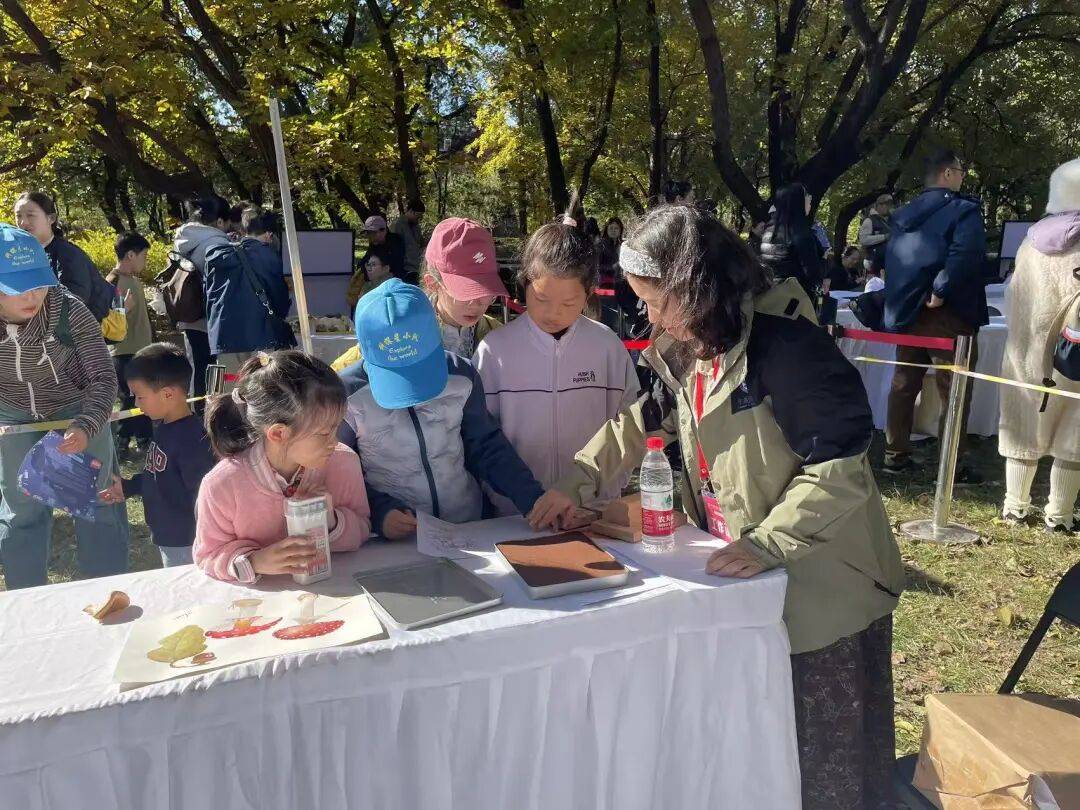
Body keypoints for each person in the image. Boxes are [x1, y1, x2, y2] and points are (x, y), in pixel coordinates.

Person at [528, 206, 904, 809]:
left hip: (824, 588)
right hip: (745, 579)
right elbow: (641, 421)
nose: (648, 317)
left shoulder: (788, 346)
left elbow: (841, 468)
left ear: (694, 287)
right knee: (759, 747)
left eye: (655, 300)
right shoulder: (689, 344)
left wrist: (766, 544)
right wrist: (576, 479)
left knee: (824, 761)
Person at [338, 279, 567, 540]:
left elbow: (487, 446)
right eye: (398, 376)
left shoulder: (462, 374)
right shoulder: (344, 396)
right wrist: (380, 513)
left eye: (419, 370)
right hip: (392, 541)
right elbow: (336, 472)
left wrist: (532, 498)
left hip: (467, 526)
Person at [473, 222, 639, 512]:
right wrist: (508, 499)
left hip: (593, 513)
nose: (553, 313)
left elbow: (630, 425)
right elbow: (479, 436)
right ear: (524, 284)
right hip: (514, 514)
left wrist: (603, 491)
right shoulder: (495, 350)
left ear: (588, 294)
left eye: (569, 303)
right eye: (541, 299)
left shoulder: (607, 346)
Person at [0, 223, 128, 589]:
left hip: (77, 406)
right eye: (17, 287)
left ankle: (108, 592)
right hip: (12, 415)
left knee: (96, 501)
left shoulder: (68, 310)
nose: (33, 296)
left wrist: (86, 424)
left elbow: (104, 378)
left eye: (38, 283)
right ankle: (27, 601)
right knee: (20, 512)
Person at [194, 350, 371, 583]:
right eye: (324, 433)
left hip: (338, 592)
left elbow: (362, 527)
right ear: (278, 433)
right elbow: (207, 555)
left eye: (337, 427)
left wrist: (331, 521)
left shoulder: (343, 462)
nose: (335, 441)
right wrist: (255, 561)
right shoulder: (222, 485)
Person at [883, 149, 988, 476]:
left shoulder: (903, 214)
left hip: (909, 311)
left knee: (904, 384)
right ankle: (951, 462)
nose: (962, 176)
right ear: (947, 174)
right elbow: (966, 254)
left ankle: (894, 453)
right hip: (948, 313)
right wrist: (940, 290)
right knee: (953, 388)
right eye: (960, 170)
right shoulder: (964, 211)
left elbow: (895, 260)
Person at [998, 158, 1080, 533]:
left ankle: (1015, 506)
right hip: (1073, 356)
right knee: (1074, 432)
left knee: (1022, 423)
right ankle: (1059, 515)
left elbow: (1014, 298)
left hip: (1028, 353)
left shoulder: (1031, 243)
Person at [331, 217, 506, 371]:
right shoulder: (401, 328)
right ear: (432, 283)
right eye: (465, 292)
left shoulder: (498, 334)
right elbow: (343, 370)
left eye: (486, 291)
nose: (477, 303)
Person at [99, 343, 215, 567]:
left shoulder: (192, 440)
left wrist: (207, 537)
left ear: (168, 394)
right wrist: (129, 487)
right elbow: (161, 476)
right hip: (169, 537)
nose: (135, 403)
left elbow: (204, 494)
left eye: (140, 397)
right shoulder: (165, 427)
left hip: (189, 541)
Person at [203, 206, 295, 376]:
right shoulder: (268, 257)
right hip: (260, 334)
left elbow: (208, 296)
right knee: (260, 391)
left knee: (228, 391)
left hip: (223, 336)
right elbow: (278, 299)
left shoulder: (215, 255)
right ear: (269, 234)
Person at [14, 191, 113, 321]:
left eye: (30, 215)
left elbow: (75, 300)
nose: (23, 222)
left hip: (80, 335)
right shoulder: (25, 255)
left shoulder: (67, 254)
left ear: (51, 218)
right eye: (18, 216)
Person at [174, 195, 231, 403]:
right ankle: (212, 412)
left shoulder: (184, 239)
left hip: (189, 313)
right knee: (215, 367)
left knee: (198, 366)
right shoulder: (217, 242)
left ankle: (198, 410)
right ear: (219, 221)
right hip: (211, 318)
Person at [107, 232, 155, 450]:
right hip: (125, 352)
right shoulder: (113, 282)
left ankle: (144, 438)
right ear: (130, 255)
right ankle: (121, 438)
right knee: (130, 397)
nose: (145, 261)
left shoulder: (133, 280)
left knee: (144, 394)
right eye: (143, 255)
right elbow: (107, 322)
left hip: (142, 350)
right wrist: (123, 311)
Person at [759, 183, 827, 300]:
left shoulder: (768, 231)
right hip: (795, 300)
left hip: (770, 295)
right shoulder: (801, 234)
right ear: (798, 202)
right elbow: (812, 272)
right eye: (806, 197)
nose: (809, 201)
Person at [359, 215, 407, 282]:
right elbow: (363, 262)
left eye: (373, 233)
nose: (370, 236)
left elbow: (395, 265)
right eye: (368, 233)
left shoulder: (396, 242)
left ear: (384, 231)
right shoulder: (374, 244)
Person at [390, 199, 426, 284]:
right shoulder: (397, 225)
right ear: (411, 211)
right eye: (418, 215)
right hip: (403, 270)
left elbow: (420, 244)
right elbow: (394, 249)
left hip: (416, 269)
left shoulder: (416, 226)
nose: (419, 218)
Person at [860, 193, 894, 273]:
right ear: (878, 205)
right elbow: (863, 240)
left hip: (888, 262)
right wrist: (884, 237)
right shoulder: (869, 220)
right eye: (885, 204)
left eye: (889, 204)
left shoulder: (892, 220)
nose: (888, 207)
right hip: (873, 263)